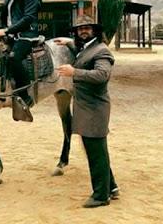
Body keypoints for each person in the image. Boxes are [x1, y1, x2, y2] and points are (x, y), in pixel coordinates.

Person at [55, 15, 119, 208]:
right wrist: (68, 42)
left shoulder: (102, 51)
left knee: (96, 152)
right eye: (79, 28)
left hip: (94, 108)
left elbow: (102, 75)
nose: (83, 31)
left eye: (87, 28)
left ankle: (101, 196)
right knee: (97, 151)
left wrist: (74, 72)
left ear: (95, 30)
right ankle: (112, 187)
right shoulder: (88, 48)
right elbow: (84, 55)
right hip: (86, 108)